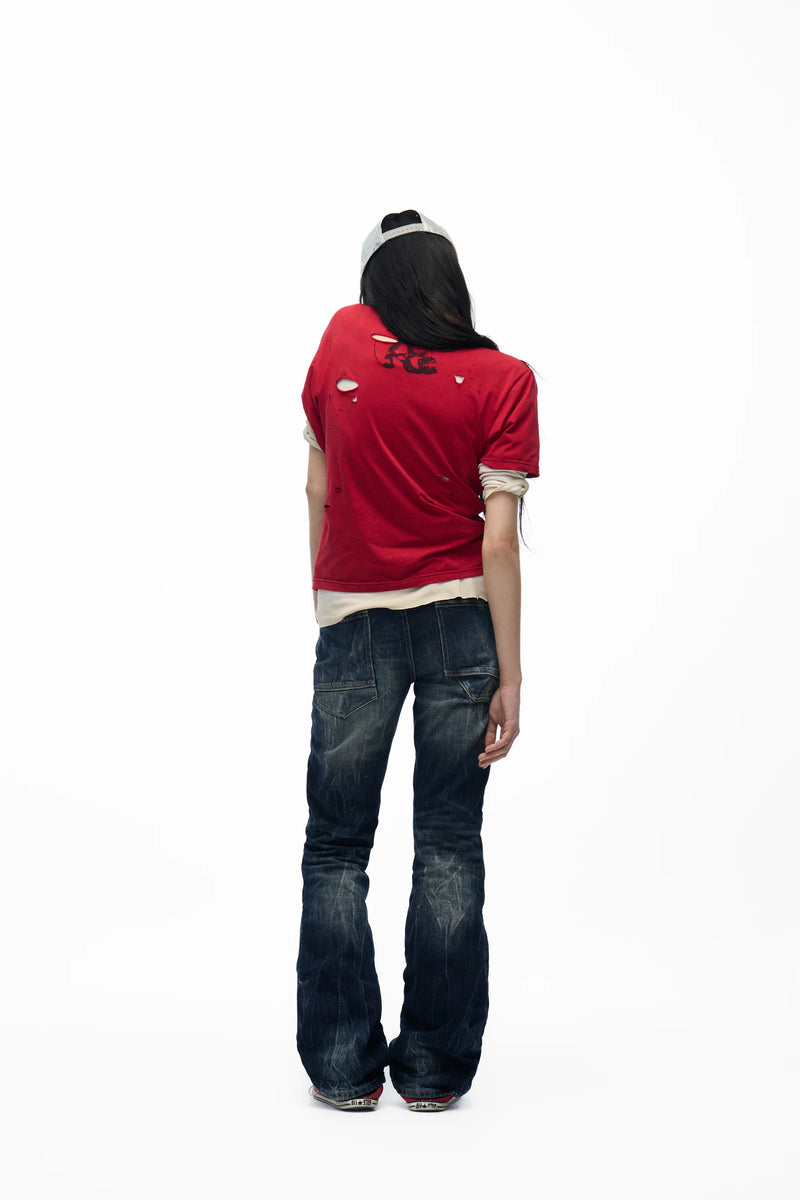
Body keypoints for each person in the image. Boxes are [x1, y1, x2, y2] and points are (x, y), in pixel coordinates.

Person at [296, 211, 540, 1112]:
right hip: (463, 626)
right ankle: (435, 1073)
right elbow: (500, 543)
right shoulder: (504, 378)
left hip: (355, 618)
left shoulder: (341, 340)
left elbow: (318, 486)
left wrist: (331, 602)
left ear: (377, 285)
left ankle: (341, 1069)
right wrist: (511, 675)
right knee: (448, 842)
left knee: (336, 846)